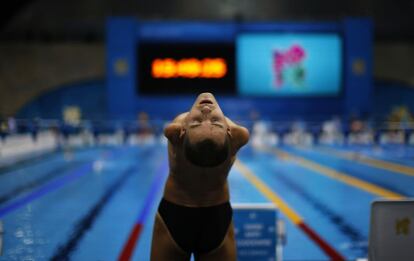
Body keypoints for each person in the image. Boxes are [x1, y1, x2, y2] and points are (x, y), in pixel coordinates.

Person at [150, 93, 249, 261]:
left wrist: (194, 123)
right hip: (215, 218)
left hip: (175, 216)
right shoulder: (237, 136)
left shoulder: (176, 130)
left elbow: (169, 129)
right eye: (196, 123)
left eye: (215, 123)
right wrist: (219, 123)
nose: (206, 111)